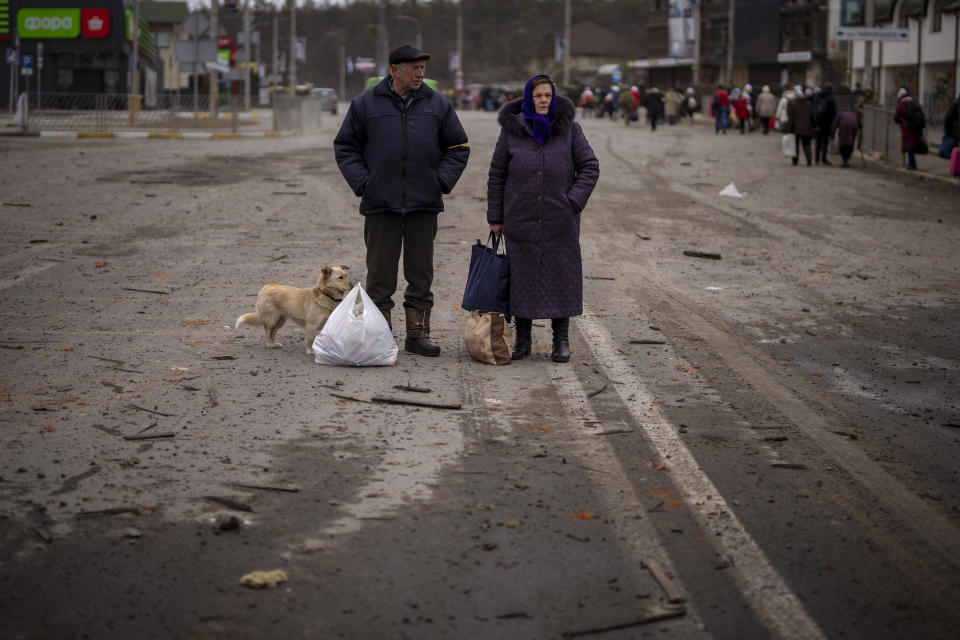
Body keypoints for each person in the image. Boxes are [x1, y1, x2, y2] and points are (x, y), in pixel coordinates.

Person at [334, 44, 470, 357]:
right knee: (380, 276)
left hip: (424, 203)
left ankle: (418, 335)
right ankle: (379, 336)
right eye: (414, 68)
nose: (421, 74)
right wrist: (364, 183)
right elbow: (345, 147)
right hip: (381, 203)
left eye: (423, 68)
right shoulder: (366, 104)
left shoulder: (437, 105)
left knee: (420, 273)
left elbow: (459, 146)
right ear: (395, 70)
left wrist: (440, 181)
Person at [486, 74, 600, 363]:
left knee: (562, 277)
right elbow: (497, 175)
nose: (543, 100)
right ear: (528, 98)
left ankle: (560, 340)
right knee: (521, 278)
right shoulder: (511, 132)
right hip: (520, 219)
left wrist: (572, 201)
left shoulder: (570, 130)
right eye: (538, 96)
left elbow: (589, 167)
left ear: (554, 97)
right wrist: (496, 216)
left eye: (548, 95)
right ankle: (523, 340)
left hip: (560, 220)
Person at [893, 87, 923, 170]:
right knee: (913, 144)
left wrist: (901, 121)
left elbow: (896, 117)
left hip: (908, 127)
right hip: (917, 126)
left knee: (910, 146)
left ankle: (912, 164)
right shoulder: (915, 101)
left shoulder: (901, 104)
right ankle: (911, 163)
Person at [786, 85, 815, 166]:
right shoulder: (809, 104)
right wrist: (815, 125)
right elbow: (812, 116)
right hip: (806, 128)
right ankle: (809, 160)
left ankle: (795, 160)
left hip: (796, 128)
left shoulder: (794, 104)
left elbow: (791, 118)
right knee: (806, 145)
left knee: (795, 145)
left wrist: (788, 129)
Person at [813, 82, 838, 165]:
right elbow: (833, 112)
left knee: (818, 141)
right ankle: (823, 158)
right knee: (825, 141)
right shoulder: (830, 98)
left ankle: (816, 158)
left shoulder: (817, 96)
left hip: (817, 122)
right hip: (827, 122)